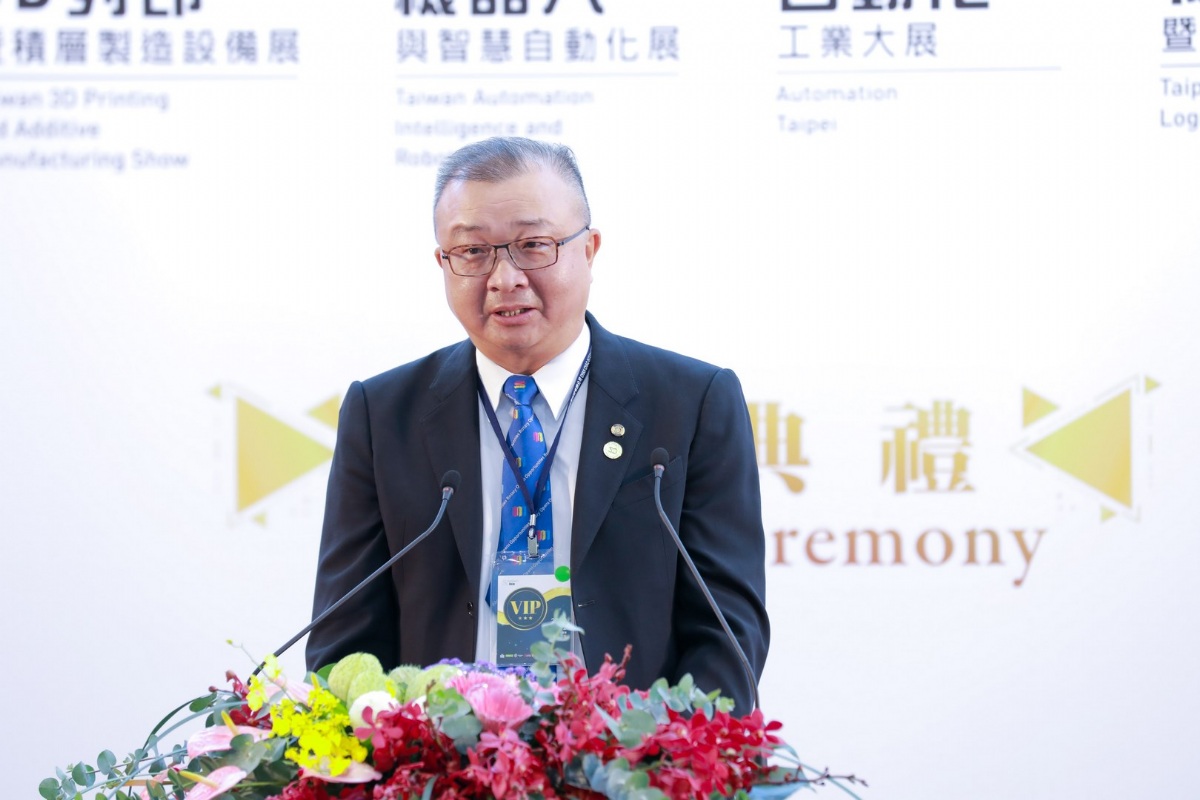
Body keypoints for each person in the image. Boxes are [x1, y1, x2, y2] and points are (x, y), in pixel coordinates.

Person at [305, 137, 769, 712]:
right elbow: (344, 643)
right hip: (438, 756)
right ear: (443, 264)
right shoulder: (382, 415)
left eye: (532, 245)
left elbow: (727, 632)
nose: (504, 278)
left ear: (589, 250)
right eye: (472, 251)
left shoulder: (691, 403)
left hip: (630, 754)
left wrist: (659, 751)